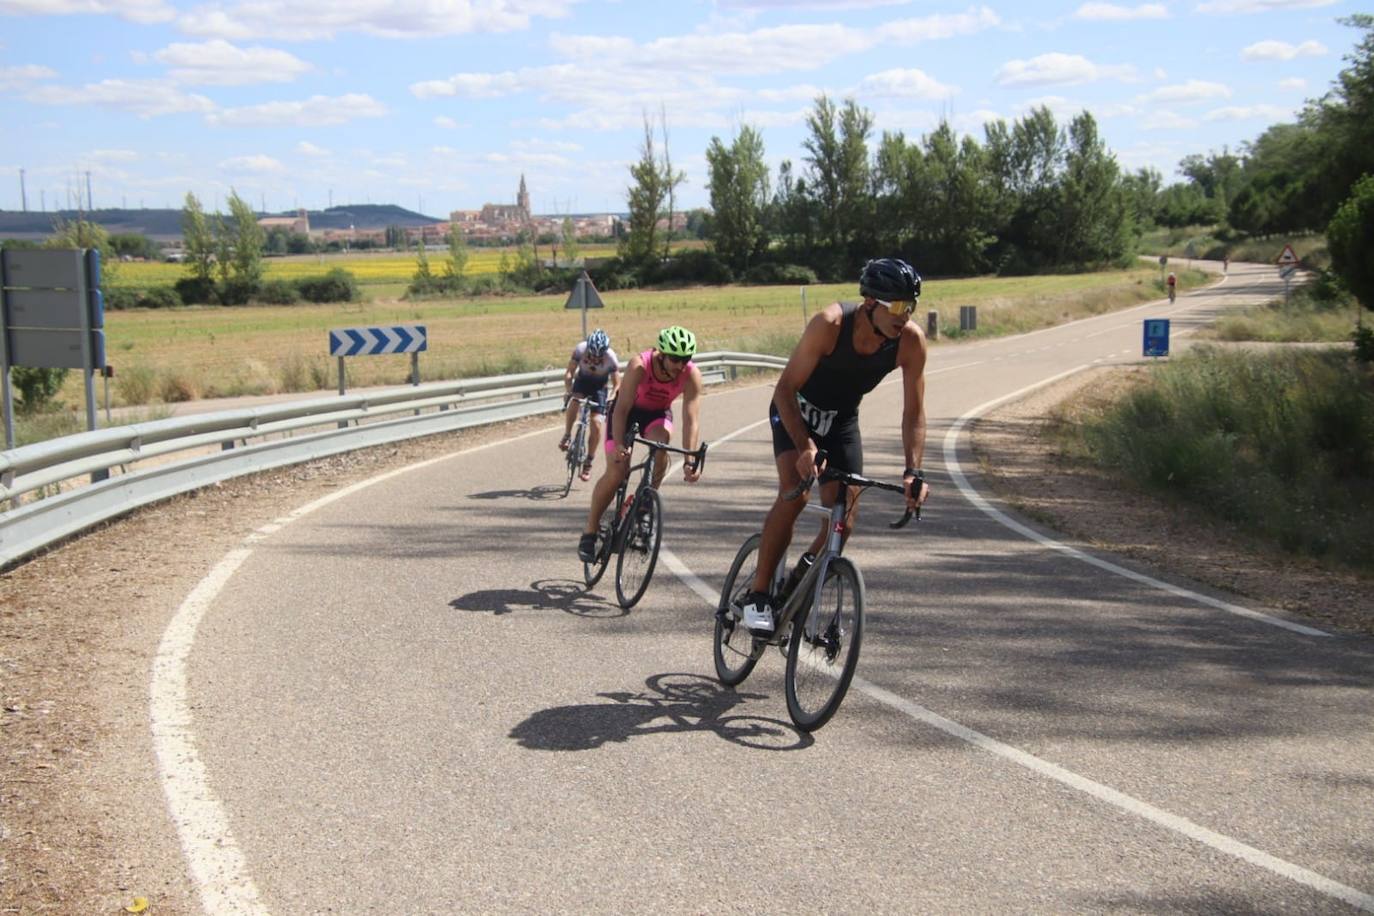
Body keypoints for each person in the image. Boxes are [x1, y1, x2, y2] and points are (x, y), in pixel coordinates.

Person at [735, 257, 930, 636]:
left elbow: (914, 414)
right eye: (898, 306)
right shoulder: (829, 325)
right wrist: (805, 446)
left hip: (840, 421)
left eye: (911, 306)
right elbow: (784, 389)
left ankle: (795, 588)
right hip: (796, 411)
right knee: (795, 493)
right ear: (871, 303)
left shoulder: (909, 342)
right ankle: (758, 595)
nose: (904, 316)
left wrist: (913, 470)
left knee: (845, 519)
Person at [577, 326, 705, 562]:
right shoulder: (640, 365)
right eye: (675, 359)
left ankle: (644, 505)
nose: (680, 365)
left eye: (685, 359)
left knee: (661, 447)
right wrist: (617, 444)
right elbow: (622, 408)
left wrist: (689, 460)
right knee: (616, 472)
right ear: (662, 354)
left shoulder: (691, 374)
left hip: (656, 415)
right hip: (625, 413)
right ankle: (590, 530)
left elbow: (691, 420)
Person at [560, 328, 620, 481]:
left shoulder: (611, 357)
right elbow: (569, 372)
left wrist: (611, 399)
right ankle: (567, 435)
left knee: (596, 424)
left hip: (599, 389)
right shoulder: (581, 349)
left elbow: (617, 384)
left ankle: (588, 462)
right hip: (582, 383)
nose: (594, 357)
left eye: (598, 355)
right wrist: (568, 390)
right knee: (574, 401)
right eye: (592, 354)